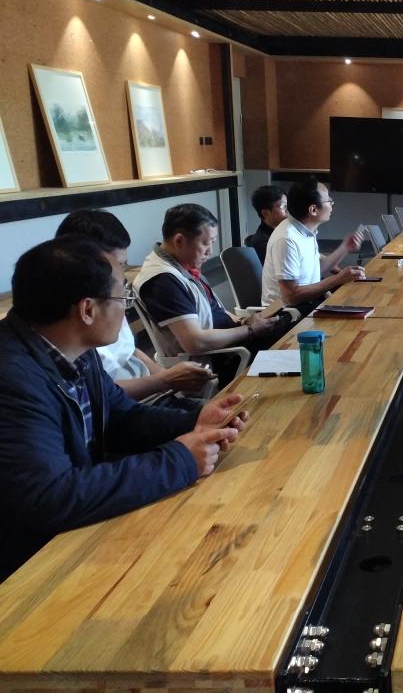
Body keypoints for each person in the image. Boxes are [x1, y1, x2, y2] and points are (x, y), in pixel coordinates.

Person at [0, 236, 249, 581]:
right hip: (31, 564)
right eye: (123, 298)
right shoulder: (13, 378)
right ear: (87, 310)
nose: (127, 308)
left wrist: (195, 421)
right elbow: (50, 498)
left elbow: (120, 417)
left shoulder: (74, 350)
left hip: (77, 524)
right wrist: (180, 460)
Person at [56, 209, 214, 404]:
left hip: (152, 395)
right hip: (132, 405)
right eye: (117, 266)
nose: (121, 276)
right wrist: (165, 380)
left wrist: (169, 379)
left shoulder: (110, 298)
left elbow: (130, 349)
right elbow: (103, 395)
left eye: (123, 265)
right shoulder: (73, 323)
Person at [134, 204, 280, 380]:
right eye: (205, 243)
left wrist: (243, 321)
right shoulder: (163, 280)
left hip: (230, 345)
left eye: (213, 242)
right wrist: (250, 330)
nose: (210, 251)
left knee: (284, 324)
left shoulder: (181, 266)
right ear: (179, 241)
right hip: (217, 361)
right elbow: (196, 342)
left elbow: (214, 309)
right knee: (285, 344)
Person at [262, 179, 365, 311]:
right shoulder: (287, 239)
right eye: (329, 201)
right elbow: (290, 296)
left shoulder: (303, 229)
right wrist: (336, 280)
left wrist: (345, 247)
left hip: (307, 305)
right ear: (313, 210)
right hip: (287, 314)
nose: (332, 205)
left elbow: (316, 270)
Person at [246, 185, 288, 263]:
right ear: (265, 213)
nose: (288, 210)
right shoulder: (263, 242)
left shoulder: (284, 232)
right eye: (283, 207)